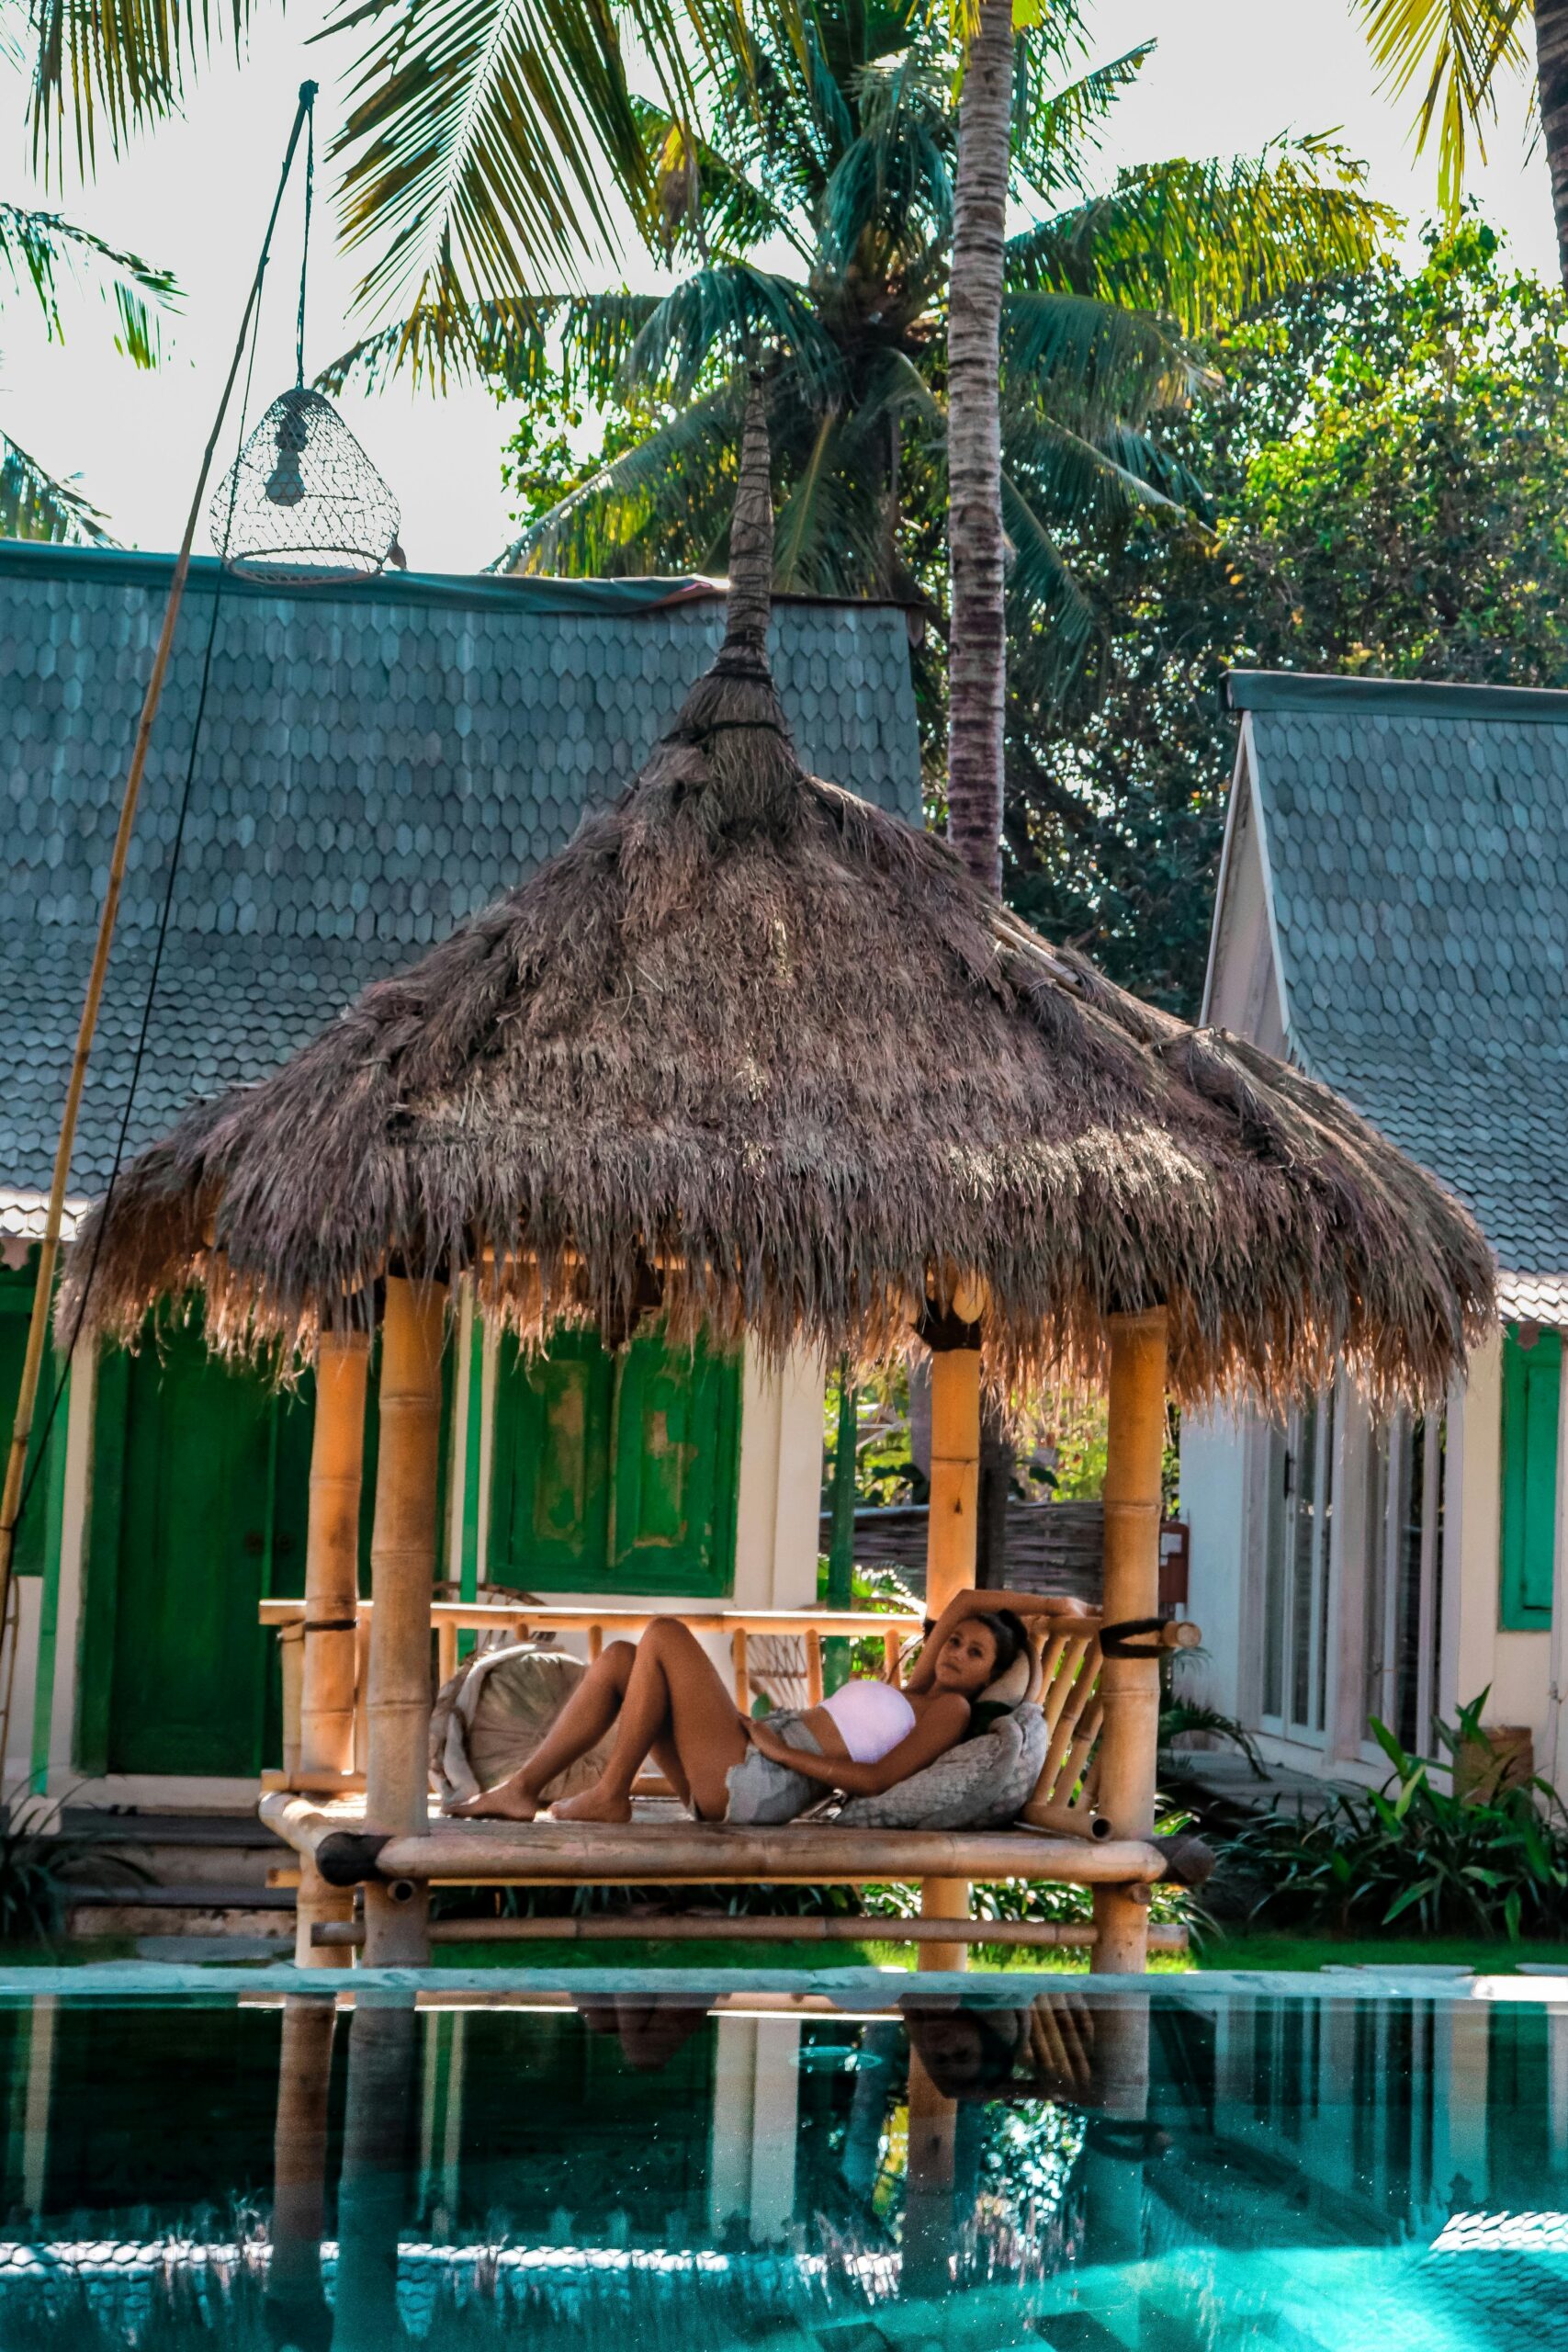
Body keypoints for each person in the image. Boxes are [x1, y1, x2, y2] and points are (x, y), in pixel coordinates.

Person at [447, 1589, 1033, 1826]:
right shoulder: (918, 1689)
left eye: (974, 1652)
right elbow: (964, 1602)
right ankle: (525, 1788)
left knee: (666, 1634)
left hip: (762, 1779)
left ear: (989, 1676)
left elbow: (876, 1780)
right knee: (624, 1659)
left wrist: (781, 1751)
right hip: (749, 1761)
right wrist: (1052, 1601)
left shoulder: (950, 1711)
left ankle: (610, 1794)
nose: (954, 1651)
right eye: (955, 1642)